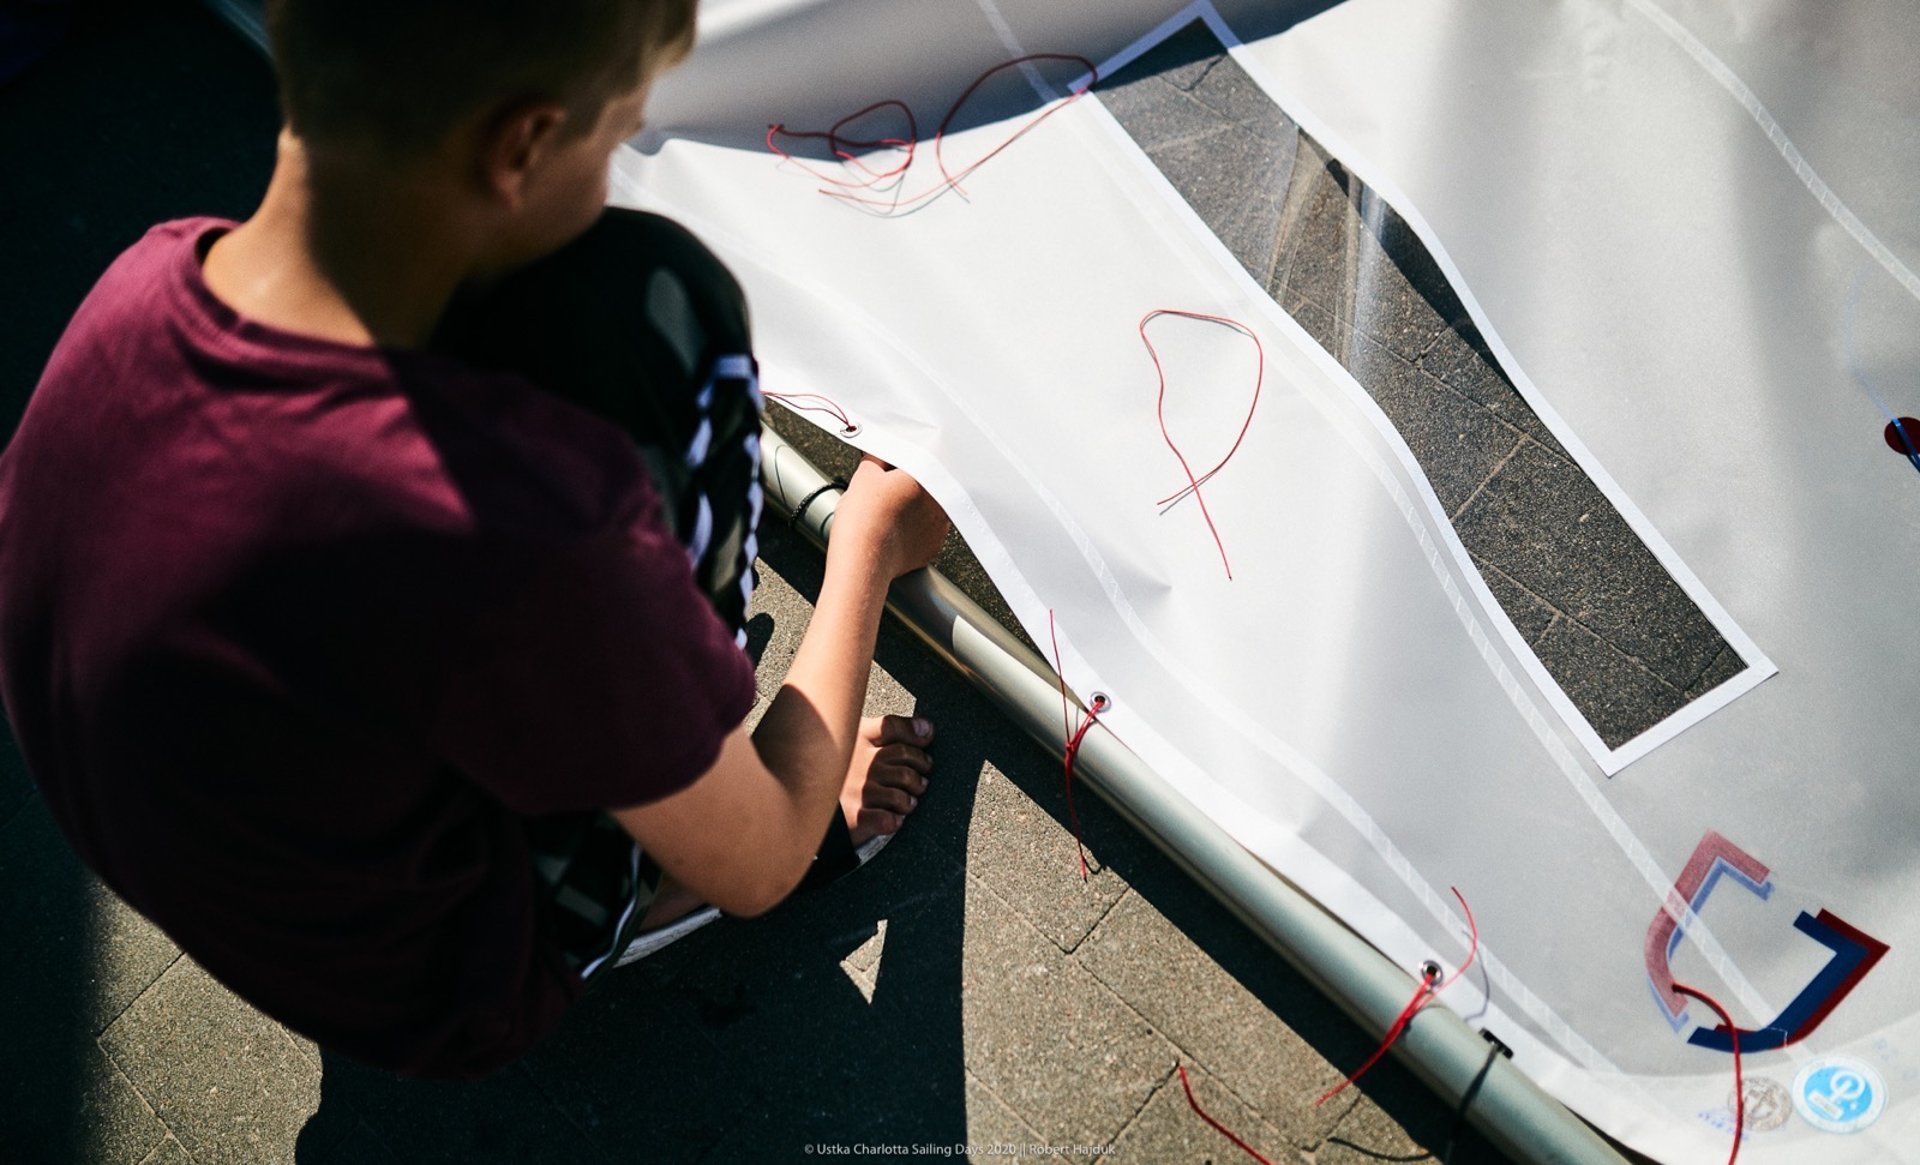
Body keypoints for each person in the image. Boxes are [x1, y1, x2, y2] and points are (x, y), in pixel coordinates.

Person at [0, 0, 950, 1079]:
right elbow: (767, 859)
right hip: (439, 989)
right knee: (669, 312)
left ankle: (612, 748)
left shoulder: (141, 282)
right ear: (523, 144)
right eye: (616, 136)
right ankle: (652, 870)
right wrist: (864, 539)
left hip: (247, 857)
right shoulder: (514, 539)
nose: (615, 171)